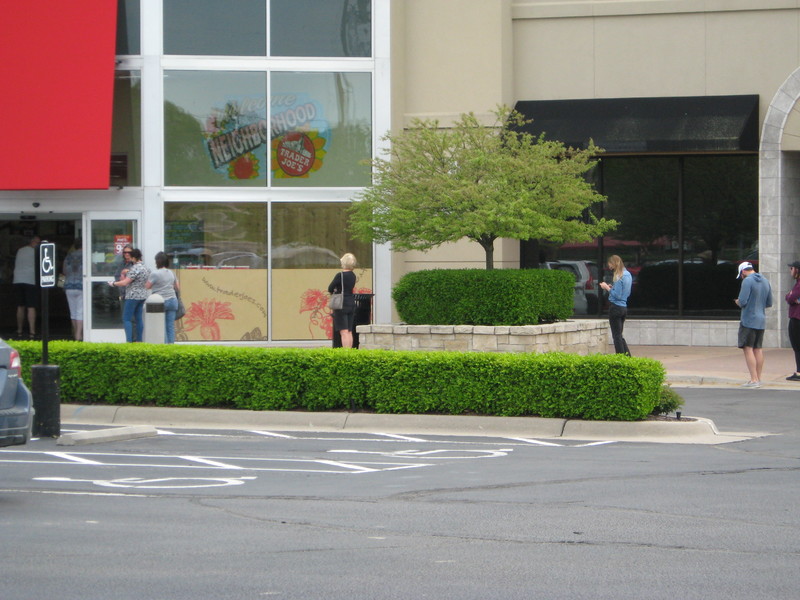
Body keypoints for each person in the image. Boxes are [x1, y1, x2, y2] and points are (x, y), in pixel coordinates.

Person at [734, 261, 773, 388]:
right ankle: (758, 378)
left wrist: (738, 302)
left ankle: (753, 379)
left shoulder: (747, 281)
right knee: (758, 348)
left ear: (744, 271)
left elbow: (743, 301)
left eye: (741, 275)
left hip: (748, 319)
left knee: (748, 348)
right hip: (761, 319)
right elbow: (769, 302)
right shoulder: (765, 281)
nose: (742, 277)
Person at [109, 248, 150, 343]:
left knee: (127, 318)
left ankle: (129, 341)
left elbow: (125, 282)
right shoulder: (146, 268)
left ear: (134, 257)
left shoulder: (135, 268)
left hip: (132, 295)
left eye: (131, 257)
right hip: (143, 295)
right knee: (138, 318)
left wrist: (114, 283)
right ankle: (139, 340)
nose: (130, 259)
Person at [599, 254, 633, 355]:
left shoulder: (619, 276)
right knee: (619, 335)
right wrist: (613, 287)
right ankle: (627, 357)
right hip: (623, 307)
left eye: (610, 264)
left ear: (614, 263)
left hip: (616, 308)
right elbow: (626, 292)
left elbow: (617, 295)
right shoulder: (628, 274)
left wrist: (607, 287)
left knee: (616, 336)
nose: (609, 266)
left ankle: (620, 358)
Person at [145, 251, 180, 344]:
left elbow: (147, 286)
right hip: (173, 300)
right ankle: (171, 346)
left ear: (157, 262)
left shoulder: (155, 274)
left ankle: (164, 347)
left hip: (160, 301)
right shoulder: (172, 273)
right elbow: (177, 287)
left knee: (162, 326)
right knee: (170, 326)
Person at [13, 234, 41, 338]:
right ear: (32, 242)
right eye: (38, 243)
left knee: (20, 306)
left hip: (17, 280)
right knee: (31, 306)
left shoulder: (20, 250)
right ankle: (32, 332)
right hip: (30, 280)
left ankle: (19, 330)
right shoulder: (36, 252)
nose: (39, 245)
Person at [327, 253, 357, 348]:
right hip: (351, 302)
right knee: (349, 331)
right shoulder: (353, 275)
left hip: (341, 304)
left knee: (343, 331)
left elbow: (330, 288)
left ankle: (345, 353)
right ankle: (350, 352)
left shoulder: (340, 275)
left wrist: (335, 290)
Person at [62, 238, 83, 341]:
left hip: (69, 286)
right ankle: (79, 335)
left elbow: (64, 271)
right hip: (81, 286)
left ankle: (76, 334)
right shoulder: (86, 255)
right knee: (80, 312)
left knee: (73, 312)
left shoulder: (69, 256)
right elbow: (93, 269)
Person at [784, 260, 800, 381]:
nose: (791, 271)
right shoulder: (797, 283)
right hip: (796, 317)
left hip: (797, 318)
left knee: (797, 345)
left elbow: (791, 297)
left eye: (792, 268)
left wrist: (790, 296)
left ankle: (799, 372)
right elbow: (788, 296)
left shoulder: (799, 284)